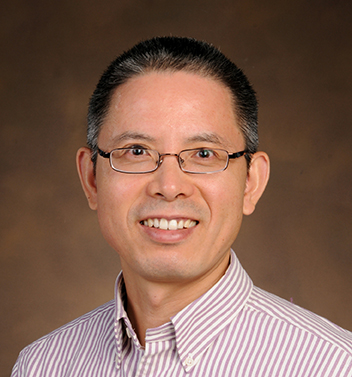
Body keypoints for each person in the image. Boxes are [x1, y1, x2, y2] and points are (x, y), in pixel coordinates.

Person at [12, 36, 352, 376]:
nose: (169, 187)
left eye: (204, 154)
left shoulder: (332, 365)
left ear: (251, 182)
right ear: (91, 178)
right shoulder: (42, 365)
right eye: (136, 151)